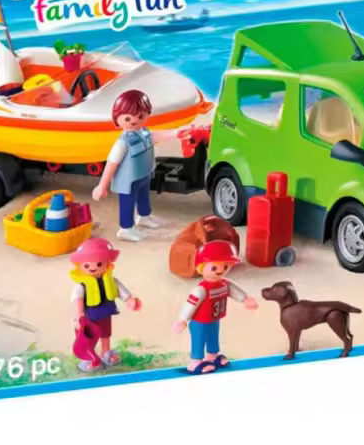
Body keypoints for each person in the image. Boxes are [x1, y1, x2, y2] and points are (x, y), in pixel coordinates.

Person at [92, 89, 186, 241]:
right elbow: (112, 163)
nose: (134, 120)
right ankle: (126, 229)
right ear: (117, 118)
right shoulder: (122, 143)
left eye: (140, 116)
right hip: (127, 180)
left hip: (143, 174)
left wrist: (175, 133)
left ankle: (144, 216)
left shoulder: (145, 133)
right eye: (128, 118)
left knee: (143, 197)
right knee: (127, 203)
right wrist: (102, 185)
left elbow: (157, 135)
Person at [173, 241, 258, 374]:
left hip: (214, 318)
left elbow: (235, 291)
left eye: (225, 266)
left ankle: (212, 356)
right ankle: (195, 362)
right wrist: (182, 319)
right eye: (214, 268)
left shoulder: (224, 284)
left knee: (213, 337)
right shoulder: (201, 290)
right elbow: (191, 304)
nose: (220, 271)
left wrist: (245, 299)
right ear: (201, 267)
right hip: (199, 322)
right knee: (199, 340)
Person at [69, 238, 141, 372]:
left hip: (105, 314)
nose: (93, 268)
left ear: (107, 263)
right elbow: (78, 299)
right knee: (88, 337)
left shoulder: (111, 281)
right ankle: (88, 357)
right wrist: (79, 316)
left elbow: (120, 291)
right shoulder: (81, 286)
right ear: (80, 266)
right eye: (87, 266)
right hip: (88, 317)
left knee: (105, 334)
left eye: (99, 264)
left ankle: (105, 352)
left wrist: (129, 300)